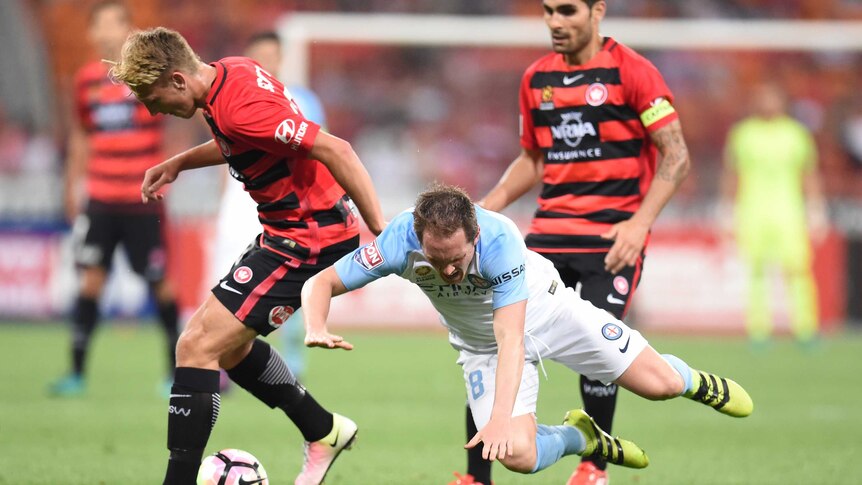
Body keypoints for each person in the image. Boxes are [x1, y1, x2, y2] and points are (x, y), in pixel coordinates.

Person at [301, 184, 752, 479]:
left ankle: (693, 381)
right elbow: (321, 282)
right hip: (482, 348)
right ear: (418, 239)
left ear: (474, 234)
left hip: (552, 315)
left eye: (457, 257)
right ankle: (583, 438)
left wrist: (499, 417)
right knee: (517, 457)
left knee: (661, 386)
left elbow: (513, 337)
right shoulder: (397, 243)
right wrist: (316, 324)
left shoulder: (500, 240)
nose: (450, 269)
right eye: (437, 260)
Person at [109, 26, 386, 485]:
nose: (151, 108)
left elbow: (337, 148)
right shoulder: (232, 73)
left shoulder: (237, 108)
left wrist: (381, 232)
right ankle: (323, 430)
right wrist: (179, 162)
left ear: (178, 79)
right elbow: (238, 141)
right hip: (287, 232)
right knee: (231, 348)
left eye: (151, 95)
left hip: (307, 238)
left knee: (196, 346)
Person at [476, 1, 692, 483]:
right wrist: (484, 210)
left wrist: (639, 224)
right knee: (491, 340)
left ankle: (594, 468)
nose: (556, 21)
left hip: (611, 237)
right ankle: (476, 475)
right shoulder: (536, 78)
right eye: (549, 11)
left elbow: (675, 157)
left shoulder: (634, 71)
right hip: (549, 233)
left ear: (598, 11)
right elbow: (532, 160)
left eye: (568, 11)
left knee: (601, 351)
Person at [51, 0, 180, 397]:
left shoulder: (147, 78)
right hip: (101, 199)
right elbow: (81, 135)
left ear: (128, 30)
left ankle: (176, 372)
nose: (108, 31)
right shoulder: (86, 80)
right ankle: (75, 374)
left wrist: (170, 174)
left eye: (115, 23)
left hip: (143, 200)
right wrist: (73, 185)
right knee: (90, 282)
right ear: (91, 33)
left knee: (159, 282)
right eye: (101, 25)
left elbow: (175, 122)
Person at [211, 30, 328, 379]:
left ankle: (293, 359)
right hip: (241, 196)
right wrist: (222, 200)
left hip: (286, 202)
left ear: (281, 58)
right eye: (259, 54)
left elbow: (322, 149)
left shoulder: (302, 99)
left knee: (290, 279)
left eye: (272, 54)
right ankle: (221, 358)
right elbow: (221, 148)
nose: (266, 61)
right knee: (230, 275)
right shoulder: (230, 97)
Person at [720, 81, 827, 346]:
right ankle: (759, 331)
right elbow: (732, 173)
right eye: (763, 97)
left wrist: (816, 208)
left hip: (788, 211)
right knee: (756, 271)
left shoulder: (796, 133)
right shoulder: (743, 133)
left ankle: (806, 328)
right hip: (752, 210)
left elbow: (809, 173)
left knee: (798, 269)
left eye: (773, 97)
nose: (768, 103)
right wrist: (726, 209)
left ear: (782, 101)